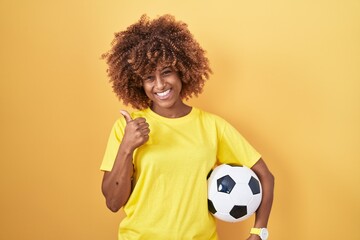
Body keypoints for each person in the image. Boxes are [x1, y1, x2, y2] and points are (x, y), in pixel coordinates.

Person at [100, 14, 274, 240]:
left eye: (166, 72)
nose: (160, 85)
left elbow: (265, 176)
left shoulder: (212, 126)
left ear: (182, 71)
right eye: (149, 77)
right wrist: (127, 147)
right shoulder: (128, 128)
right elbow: (113, 203)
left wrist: (259, 232)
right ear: (138, 83)